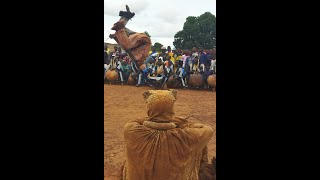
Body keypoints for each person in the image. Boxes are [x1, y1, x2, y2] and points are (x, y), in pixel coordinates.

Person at [121, 90, 214, 180]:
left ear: (149, 109)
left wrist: (156, 118)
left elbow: (134, 121)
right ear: (172, 110)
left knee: (126, 164)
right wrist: (175, 121)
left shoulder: (131, 130)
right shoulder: (185, 136)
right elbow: (208, 130)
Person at [109, 6, 151, 71]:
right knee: (125, 43)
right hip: (141, 40)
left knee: (125, 42)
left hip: (139, 40)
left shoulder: (138, 59)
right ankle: (126, 17)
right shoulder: (138, 59)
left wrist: (115, 37)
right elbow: (127, 49)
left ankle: (126, 17)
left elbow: (125, 47)